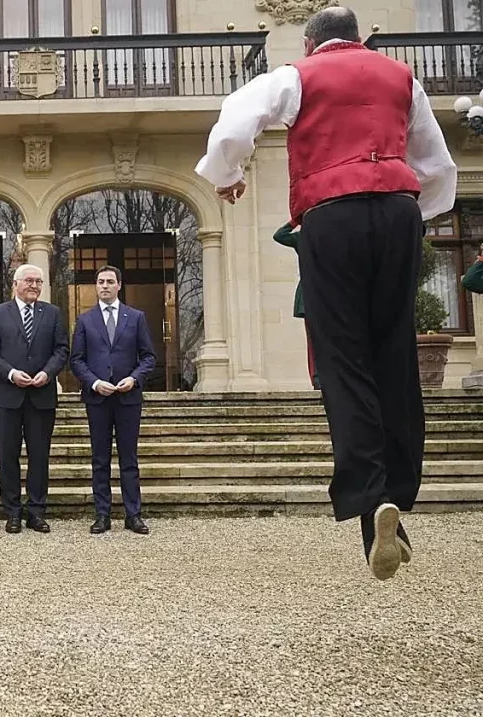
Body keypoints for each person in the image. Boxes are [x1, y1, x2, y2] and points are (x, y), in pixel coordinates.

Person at [195, 7, 457, 580]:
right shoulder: (401, 77)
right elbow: (438, 166)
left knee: (343, 359)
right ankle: (398, 491)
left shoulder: (297, 76)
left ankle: (370, 501)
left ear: (312, 43)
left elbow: (236, 120)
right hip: (398, 213)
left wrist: (226, 174)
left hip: (331, 216)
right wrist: (415, 215)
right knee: (394, 354)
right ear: (359, 39)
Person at [0, 263, 69, 534]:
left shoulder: (52, 313)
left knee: (39, 456)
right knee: (8, 456)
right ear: (15, 284)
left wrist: (47, 373)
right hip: (7, 397)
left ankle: (36, 511)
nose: (34, 285)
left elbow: (62, 349)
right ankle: (13, 512)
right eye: (29, 280)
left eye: (38, 281)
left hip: (41, 395)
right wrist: (11, 374)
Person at [69, 266, 156, 535]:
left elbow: (148, 357)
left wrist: (134, 378)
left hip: (128, 397)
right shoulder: (85, 320)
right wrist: (94, 382)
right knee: (100, 458)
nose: (105, 286)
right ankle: (102, 515)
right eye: (100, 282)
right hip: (97, 398)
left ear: (119, 285)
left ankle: (133, 515)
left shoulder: (136, 317)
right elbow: (77, 360)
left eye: (110, 281)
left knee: (128, 458)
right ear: (95, 286)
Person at [272, 224, 320, 390]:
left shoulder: (334, 234)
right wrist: (294, 221)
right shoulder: (301, 237)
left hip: (331, 291)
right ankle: (317, 379)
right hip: (310, 292)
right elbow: (279, 235)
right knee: (314, 340)